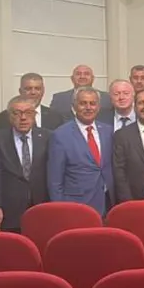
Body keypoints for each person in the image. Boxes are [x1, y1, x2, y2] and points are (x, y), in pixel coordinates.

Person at [47, 86, 114, 218]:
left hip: (107, 203)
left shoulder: (108, 131)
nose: (88, 107)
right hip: (76, 205)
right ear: (74, 106)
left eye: (92, 103)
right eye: (83, 103)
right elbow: (55, 179)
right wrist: (59, 209)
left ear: (98, 107)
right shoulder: (60, 135)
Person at [0, 95, 50, 231]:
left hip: (41, 206)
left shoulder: (47, 137)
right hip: (10, 209)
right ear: (9, 116)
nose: (23, 118)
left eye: (28, 113)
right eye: (17, 113)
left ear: (34, 115)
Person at [0, 72, 64, 131]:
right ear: (20, 91)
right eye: (28, 89)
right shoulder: (4, 117)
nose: (33, 92)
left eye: (37, 89)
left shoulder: (55, 117)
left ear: (43, 91)